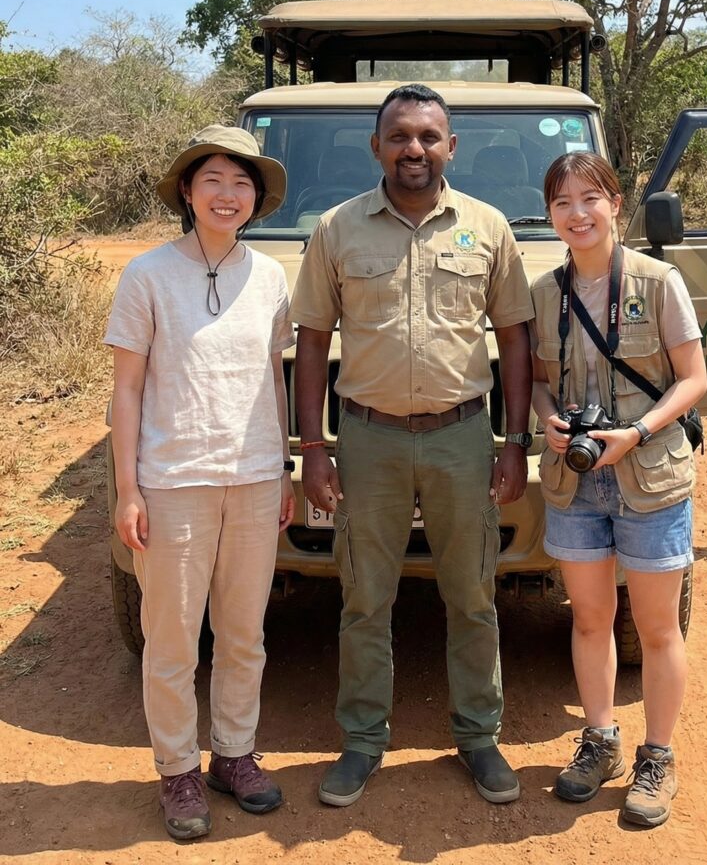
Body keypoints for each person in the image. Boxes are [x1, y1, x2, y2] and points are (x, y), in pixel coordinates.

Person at [290, 84, 534, 807]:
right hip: (368, 438)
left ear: (451, 147)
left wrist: (512, 441)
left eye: (429, 136)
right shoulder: (336, 229)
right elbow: (310, 341)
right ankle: (362, 741)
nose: (414, 149)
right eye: (399, 136)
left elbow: (515, 340)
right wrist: (315, 444)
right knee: (365, 600)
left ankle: (478, 736)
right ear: (376, 147)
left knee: (473, 596)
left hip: (462, 435)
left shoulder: (488, 228)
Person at [106, 126, 295, 840]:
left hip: (250, 481)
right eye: (212, 179)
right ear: (187, 191)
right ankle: (178, 768)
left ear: (256, 198)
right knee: (173, 639)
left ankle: (235, 755)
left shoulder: (271, 276)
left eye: (241, 182)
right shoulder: (147, 274)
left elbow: (271, 381)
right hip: (173, 482)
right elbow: (125, 391)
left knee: (245, 634)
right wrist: (129, 489)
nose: (227, 194)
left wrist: (279, 471)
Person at [530, 152, 706, 827]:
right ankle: (598, 741)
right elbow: (543, 377)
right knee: (588, 618)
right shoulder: (546, 292)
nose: (576, 214)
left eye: (588, 199)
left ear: (614, 205)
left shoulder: (658, 282)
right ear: (549, 216)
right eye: (560, 203)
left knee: (657, 628)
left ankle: (655, 757)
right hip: (576, 482)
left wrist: (636, 431)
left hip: (649, 476)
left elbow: (693, 379)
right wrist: (545, 415)